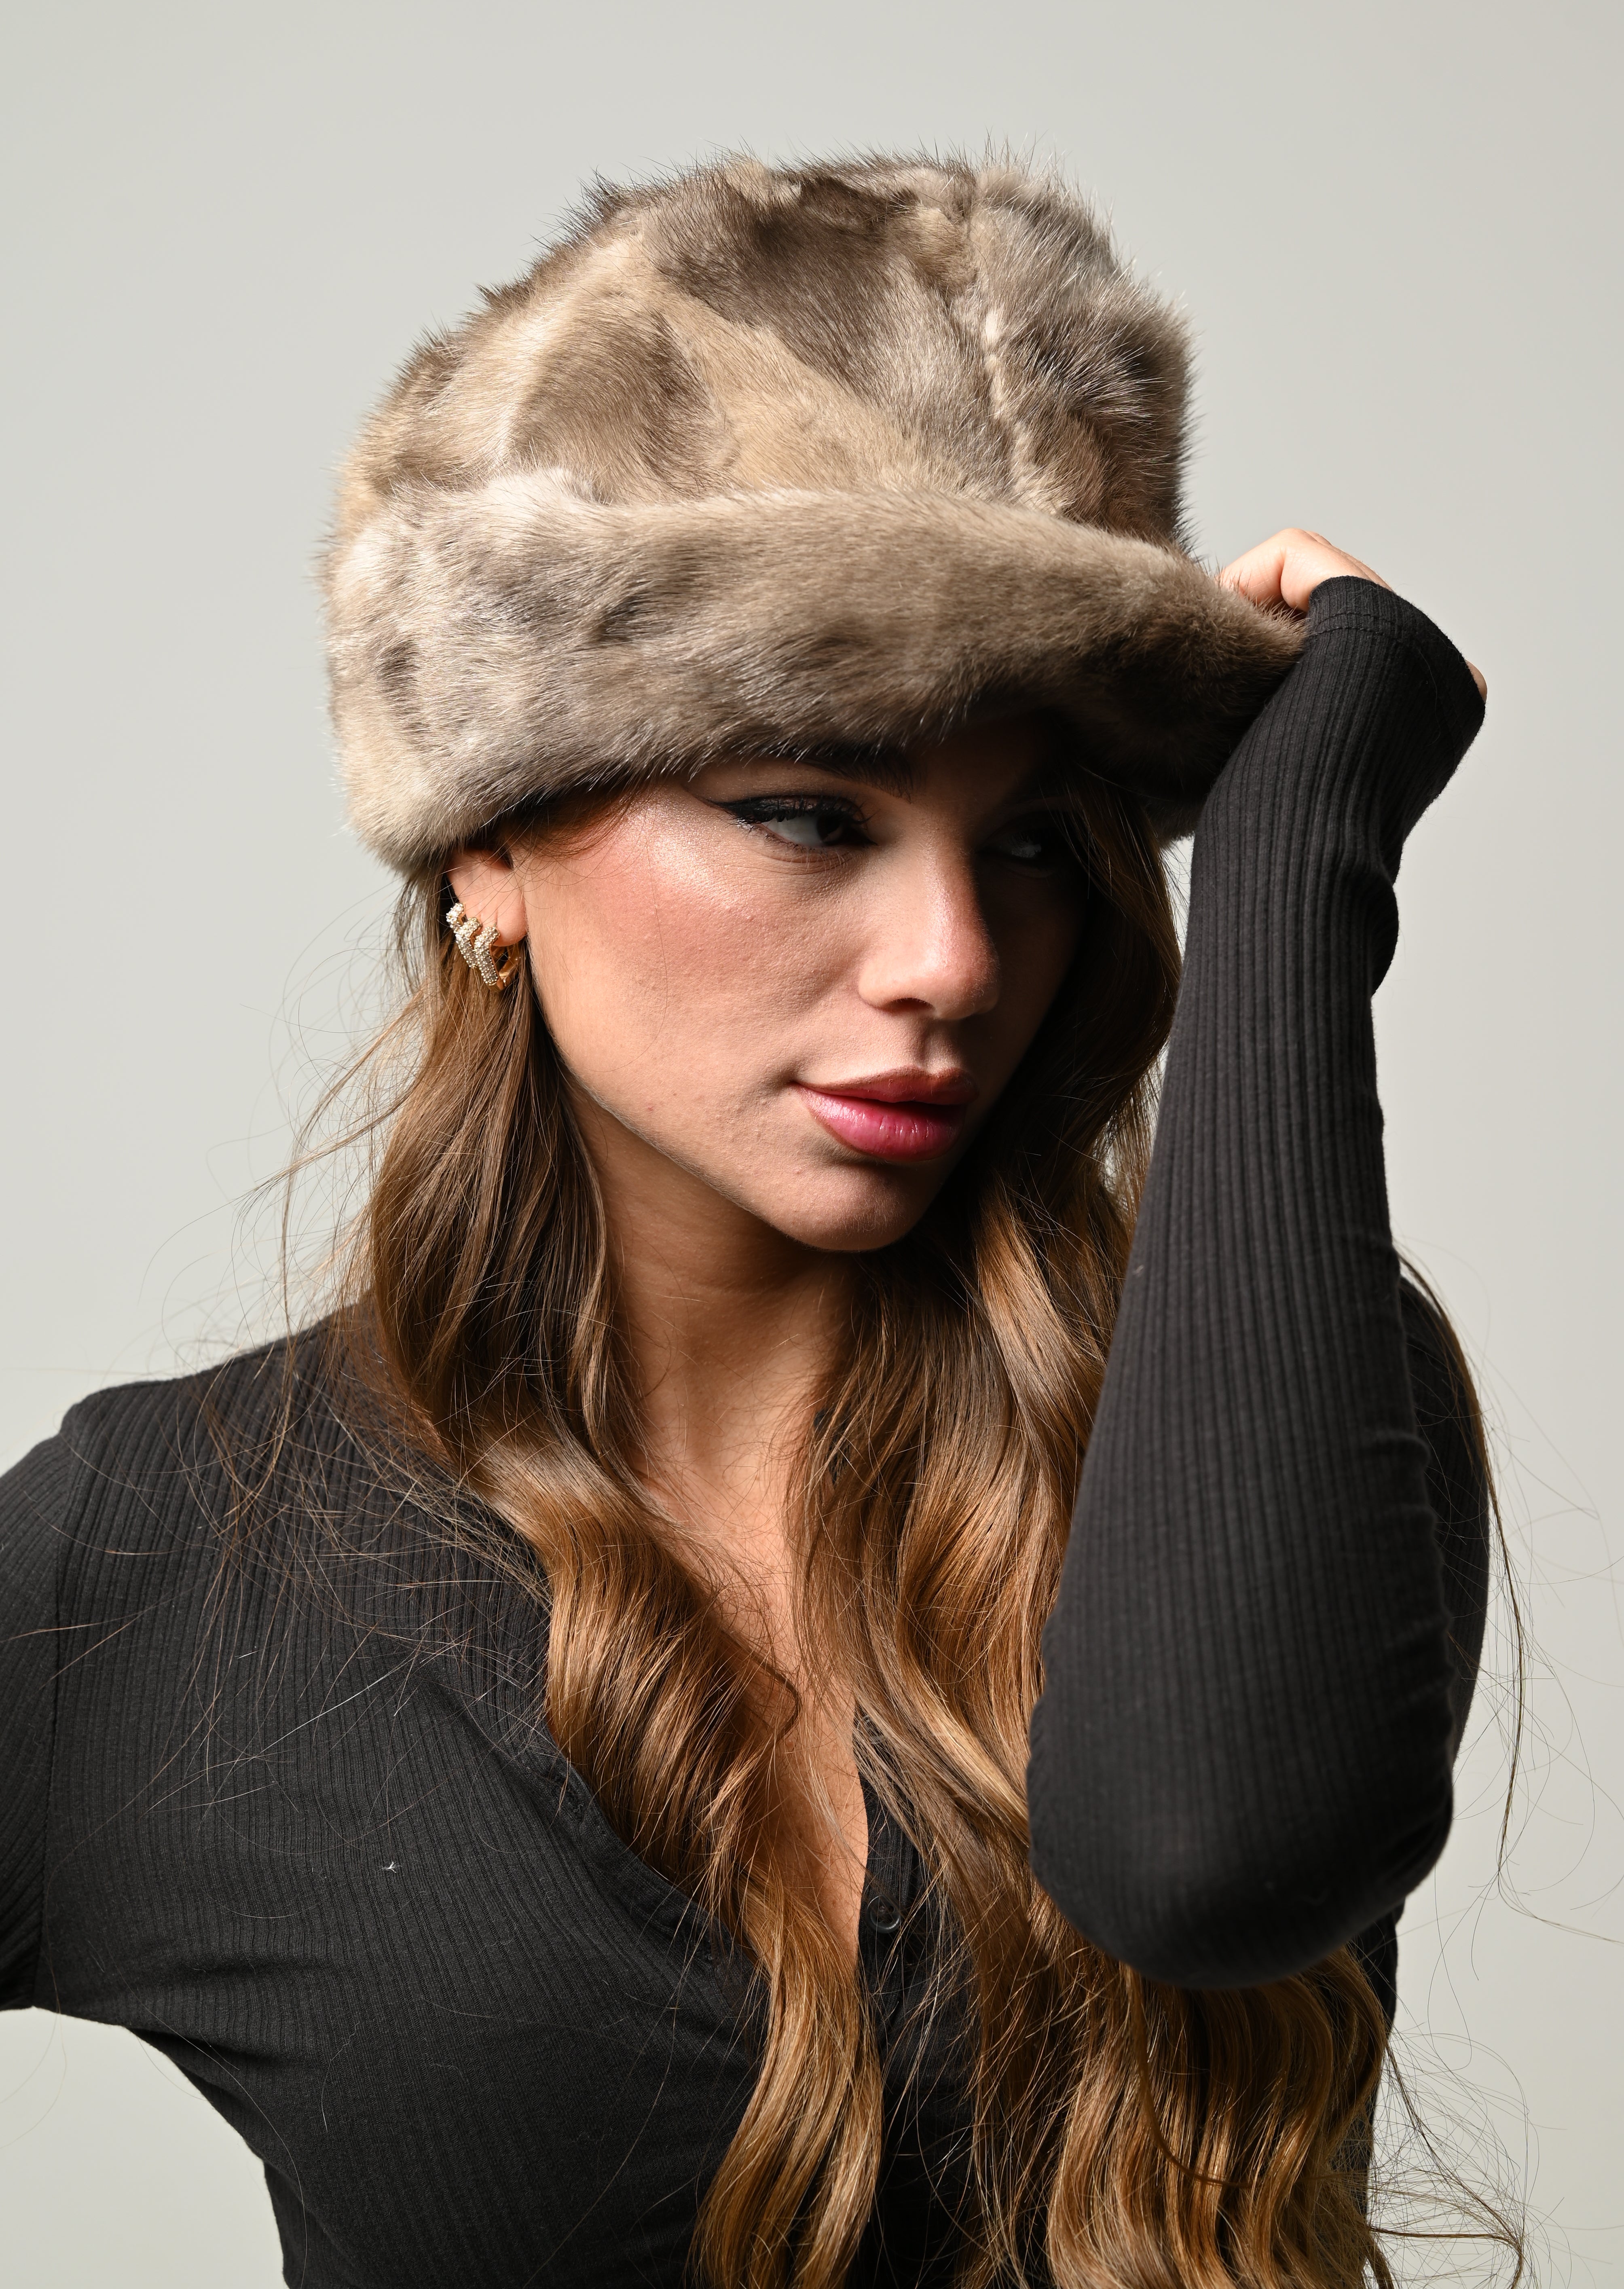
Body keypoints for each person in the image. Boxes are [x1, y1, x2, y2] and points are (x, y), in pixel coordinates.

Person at [0, 156, 1496, 2289]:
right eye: (809, 814)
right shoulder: (175, 1554)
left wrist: (1298, 850)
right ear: (489, 839)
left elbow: (1206, 1858)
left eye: (1037, 845)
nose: (953, 962)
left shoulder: (1274, 1413)